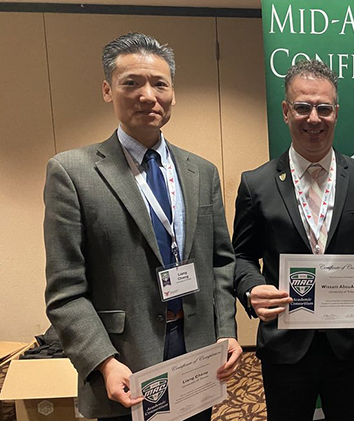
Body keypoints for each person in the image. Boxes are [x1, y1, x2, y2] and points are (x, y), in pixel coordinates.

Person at [43, 33, 241, 421]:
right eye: (131, 82)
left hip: (197, 353)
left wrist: (227, 330)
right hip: (125, 361)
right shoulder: (72, 173)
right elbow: (65, 291)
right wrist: (103, 361)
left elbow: (221, 262)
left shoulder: (201, 171)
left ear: (172, 92)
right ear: (107, 89)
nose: (147, 95)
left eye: (159, 84)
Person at [232, 60, 354, 421]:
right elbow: (241, 256)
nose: (314, 118)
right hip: (286, 345)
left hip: (349, 346)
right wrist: (251, 289)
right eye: (303, 107)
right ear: (286, 111)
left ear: (336, 113)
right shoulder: (255, 184)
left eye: (324, 108)